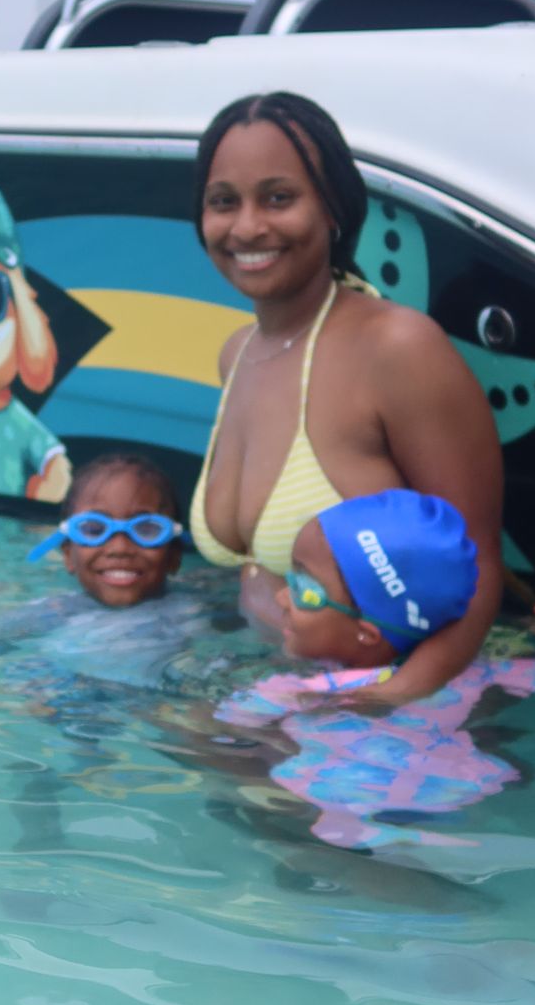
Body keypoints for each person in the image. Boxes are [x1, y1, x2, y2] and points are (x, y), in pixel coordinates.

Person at [189, 89, 503, 707]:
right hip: (273, 705)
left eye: (278, 198)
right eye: (224, 202)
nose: (248, 226)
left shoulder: (397, 348)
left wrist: (378, 707)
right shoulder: (237, 353)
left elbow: (479, 568)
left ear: (333, 206)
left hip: (376, 732)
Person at [28, 450, 187, 607]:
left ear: (174, 556)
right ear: (69, 555)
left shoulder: (195, 615)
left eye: (145, 529)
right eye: (94, 529)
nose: (120, 548)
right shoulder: (47, 617)